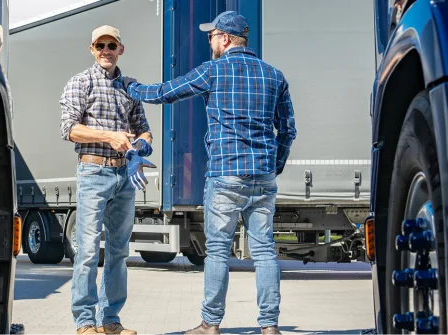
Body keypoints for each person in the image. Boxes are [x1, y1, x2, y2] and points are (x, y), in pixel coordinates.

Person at [115, 11, 296, 335]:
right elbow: (288, 130)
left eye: (211, 35)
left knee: (217, 252)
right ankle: (270, 327)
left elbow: (166, 92)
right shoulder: (275, 75)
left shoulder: (214, 71)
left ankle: (210, 325)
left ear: (225, 39)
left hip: (226, 176)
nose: (209, 40)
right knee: (265, 251)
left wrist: (132, 87)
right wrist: (274, 164)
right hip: (263, 178)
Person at [59, 24, 154, 335]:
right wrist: (108, 136)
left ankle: (110, 320)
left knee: (118, 250)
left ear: (120, 49)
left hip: (125, 175)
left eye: (111, 45)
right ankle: (85, 322)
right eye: (100, 45)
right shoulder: (80, 83)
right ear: (92, 49)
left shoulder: (130, 86)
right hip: (93, 172)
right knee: (87, 250)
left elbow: (144, 129)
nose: (105, 51)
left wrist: (140, 148)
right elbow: (69, 129)